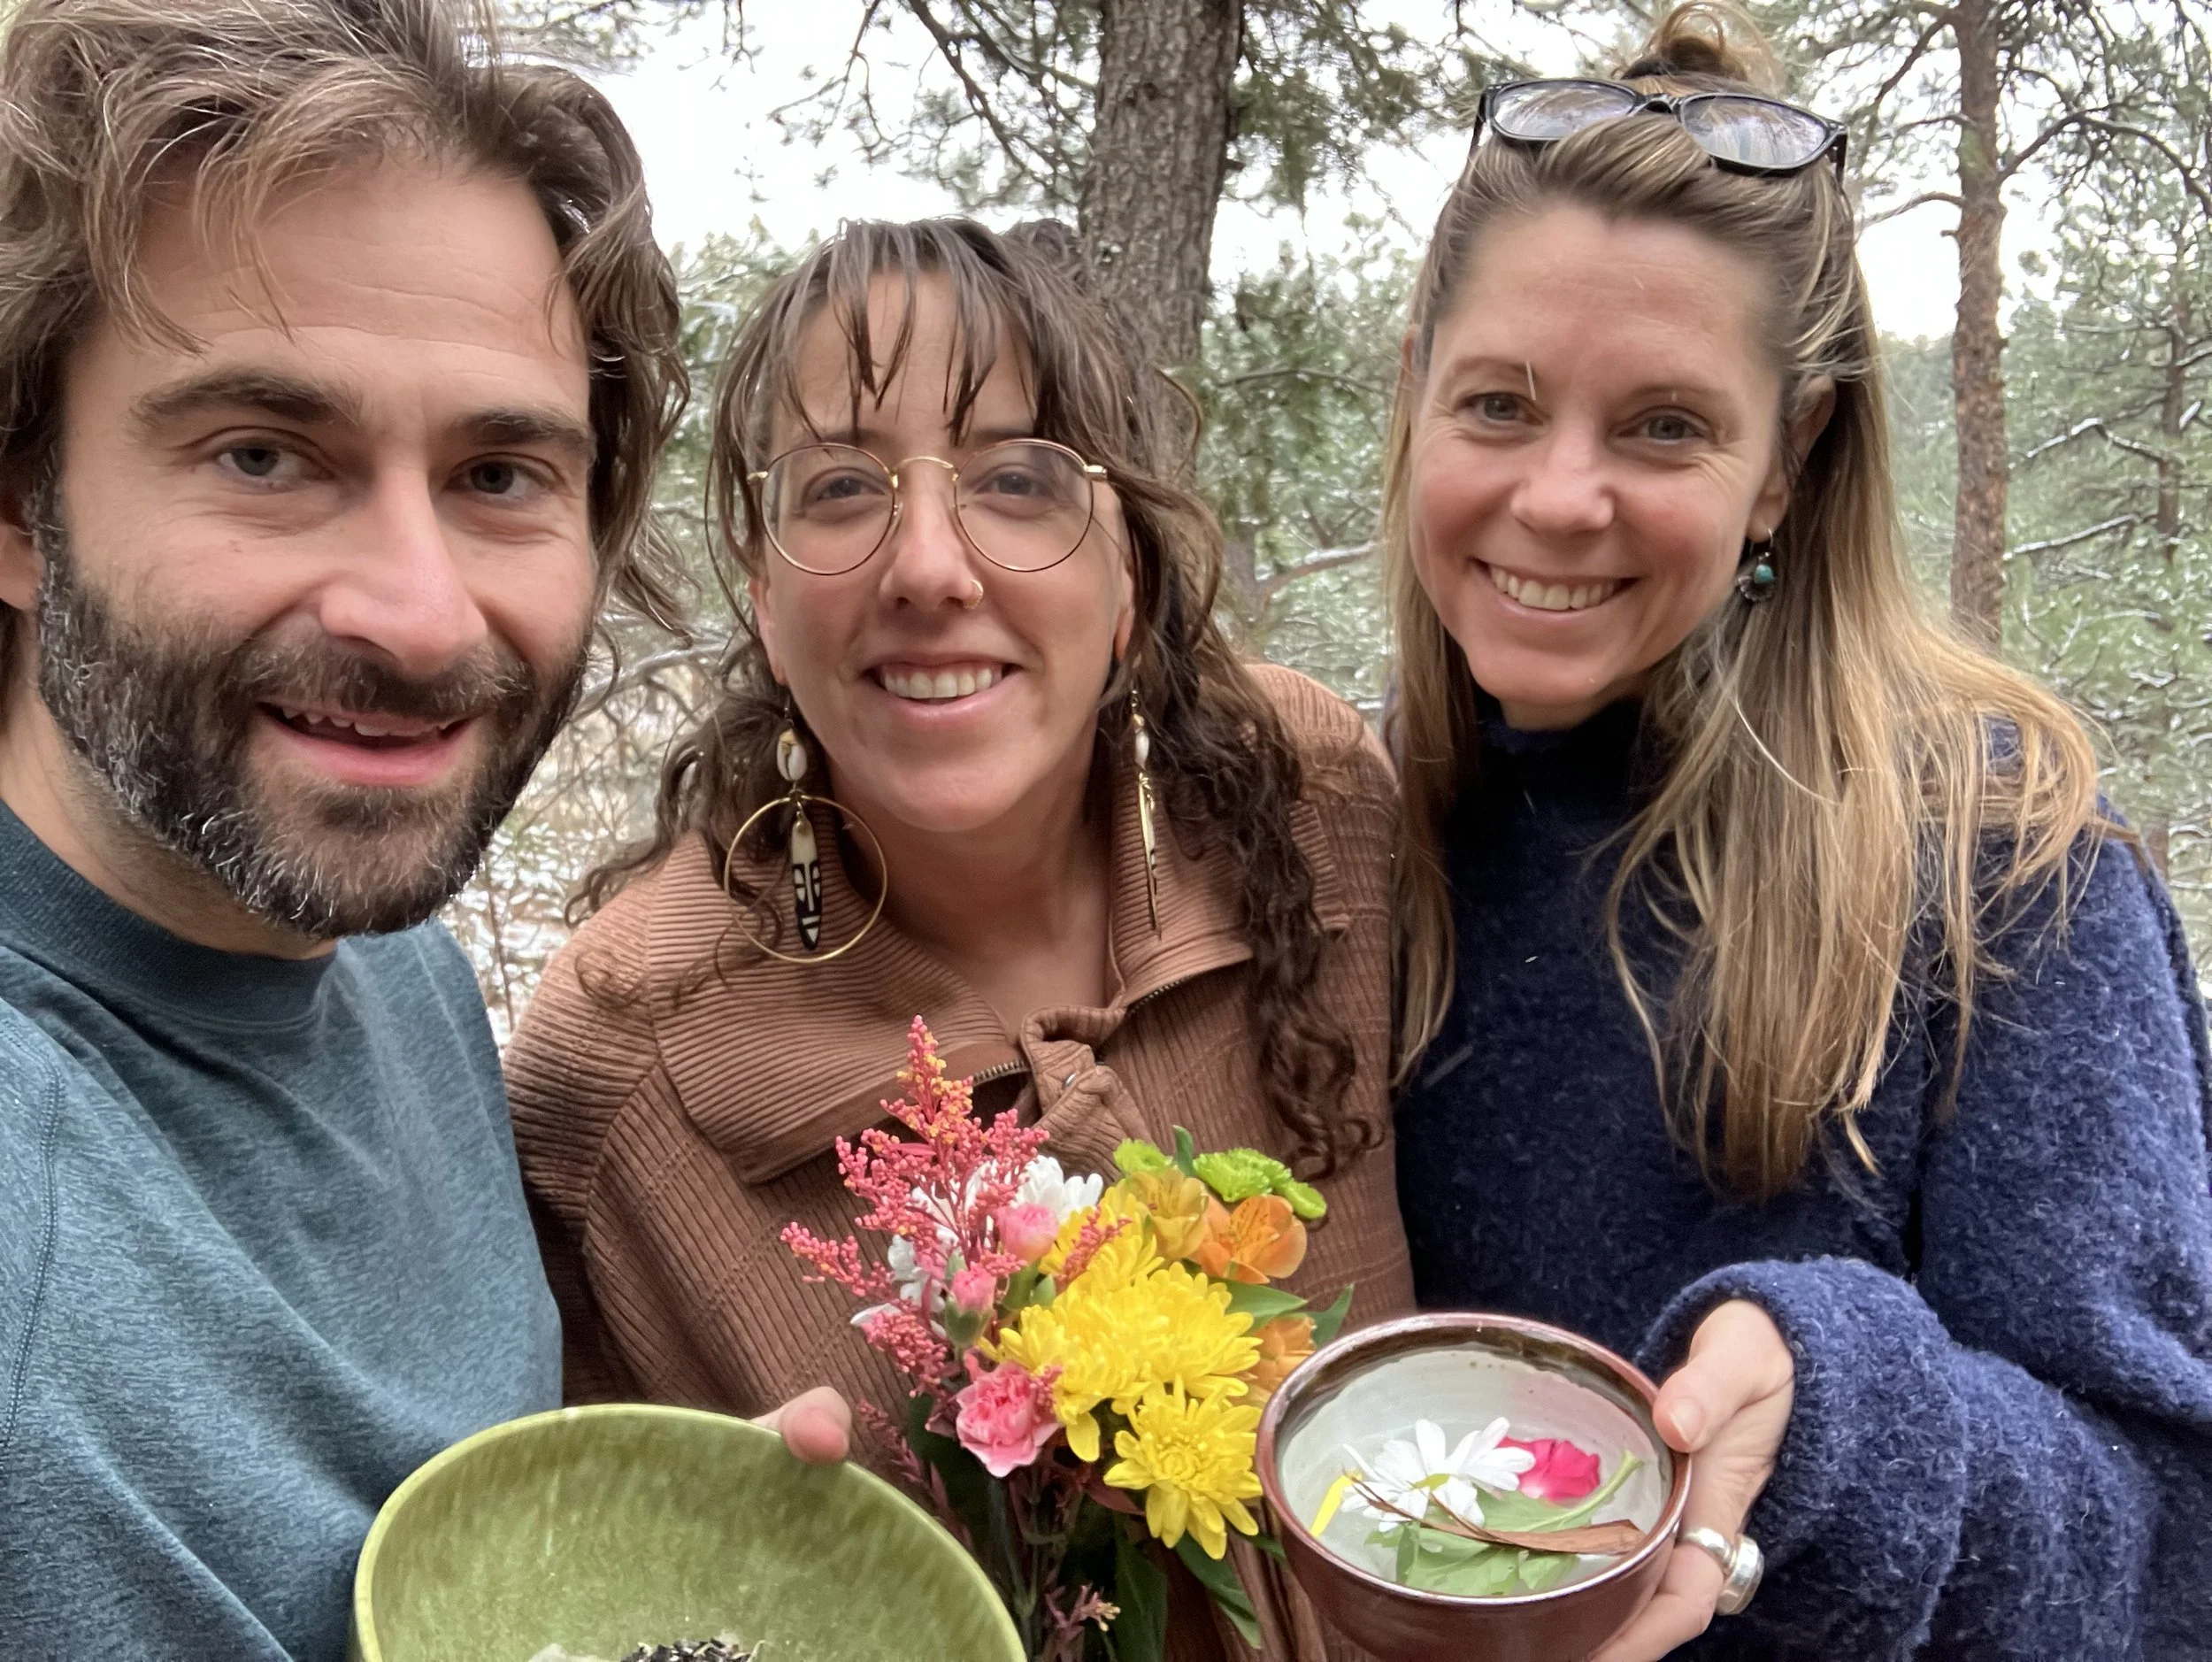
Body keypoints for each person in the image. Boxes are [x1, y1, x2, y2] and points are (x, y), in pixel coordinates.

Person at [0, 1, 839, 1653]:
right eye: (265, 452)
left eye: (501, 474)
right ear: (23, 509)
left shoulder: (395, 968)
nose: (419, 613)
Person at [1385, 5, 2212, 1659]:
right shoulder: (1355, 827)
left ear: (1791, 459)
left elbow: (2165, 1535)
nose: (1560, 495)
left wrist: (1829, 1415)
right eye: (1497, 404)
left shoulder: (1998, 859)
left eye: (1665, 427)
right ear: (1413, 401)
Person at [504, 216, 1417, 1660]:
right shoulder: (623, 1071)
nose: (928, 564)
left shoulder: (1308, 814)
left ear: (1130, 571)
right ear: (760, 581)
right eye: (842, 486)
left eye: (1017, 478)